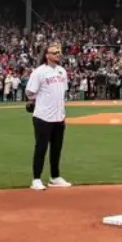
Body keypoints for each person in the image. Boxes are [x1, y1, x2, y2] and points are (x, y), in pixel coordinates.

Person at [26, 44, 72, 191]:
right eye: (54, 52)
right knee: (41, 148)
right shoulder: (39, 72)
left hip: (59, 116)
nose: (58, 54)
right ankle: (36, 179)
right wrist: (36, 101)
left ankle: (55, 176)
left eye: (59, 52)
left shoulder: (62, 71)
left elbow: (62, 91)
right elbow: (30, 91)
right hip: (43, 116)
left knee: (56, 148)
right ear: (47, 55)